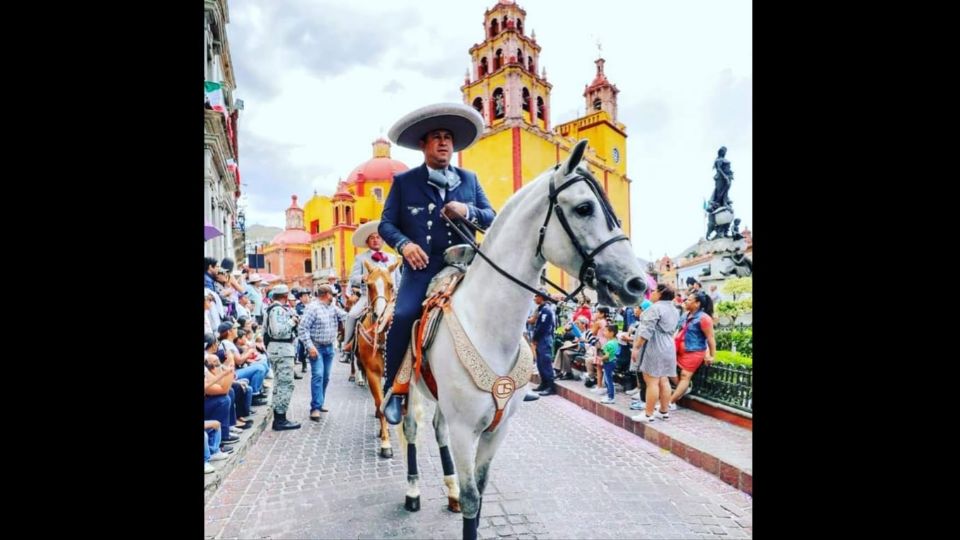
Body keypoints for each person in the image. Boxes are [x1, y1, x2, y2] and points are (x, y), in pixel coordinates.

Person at [379, 102, 495, 424]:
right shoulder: (405, 182)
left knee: (504, 303)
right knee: (402, 315)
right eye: (437, 137)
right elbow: (386, 225)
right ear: (423, 144)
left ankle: (510, 375)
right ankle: (395, 388)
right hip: (423, 267)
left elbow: (492, 217)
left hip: (467, 265)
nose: (444, 142)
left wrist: (467, 211)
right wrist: (404, 245)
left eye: (448, 137)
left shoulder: (469, 180)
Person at [341, 220, 402, 361]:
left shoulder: (393, 258)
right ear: (367, 242)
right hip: (368, 297)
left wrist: (398, 294)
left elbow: (398, 279)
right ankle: (347, 347)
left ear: (383, 240)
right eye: (372, 238)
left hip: (390, 298)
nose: (376, 240)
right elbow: (353, 278)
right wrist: (363, 277)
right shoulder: (360, 258)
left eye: (378, 237)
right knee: (352, 315)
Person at [298, 285, 348, 421]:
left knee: (325, 377)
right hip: (317, 348)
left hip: (329, 348)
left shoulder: (332, 307)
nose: (334, 297)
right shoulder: (312, 308)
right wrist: (310, 347)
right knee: (318, 375)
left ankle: (320, 402)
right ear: (327, 294)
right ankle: (315, 407)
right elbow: (302, 328)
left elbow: (346, 316)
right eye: (332, 294)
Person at [263, 284, 302, 431]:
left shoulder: (271, 309)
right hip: (282, 349)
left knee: (280, 384)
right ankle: (280, 419)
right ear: (285, 296)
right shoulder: (278, 310)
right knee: (285, 384)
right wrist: (293, 322)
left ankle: (279, 417)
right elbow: (279, 331)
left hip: (277, 349)